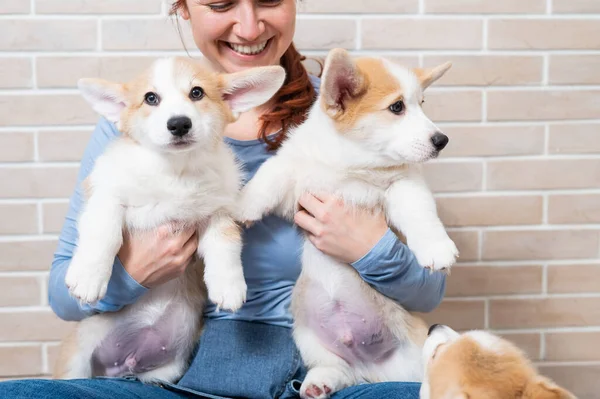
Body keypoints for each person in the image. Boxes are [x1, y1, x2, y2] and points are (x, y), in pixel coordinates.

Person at [0, 1, 445, 398]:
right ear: (184, 9)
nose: (249, 27)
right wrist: (135, 272)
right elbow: (64, 296)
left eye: (269, 0)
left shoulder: (357, 106)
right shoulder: (140, 125)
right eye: (221, 3)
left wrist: (372, 250)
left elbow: (429, 290)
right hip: (187, 372)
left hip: (331, 366)